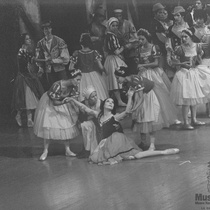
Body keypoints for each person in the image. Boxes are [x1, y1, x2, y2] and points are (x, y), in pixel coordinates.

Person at [67, 88, 179, 165]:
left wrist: (130, 97)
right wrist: (72, 100)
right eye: (108, 101)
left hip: (117, 141)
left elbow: (127, 111)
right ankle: (123, 156)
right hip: (105, 143)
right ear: (104, 104)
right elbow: (84, 108)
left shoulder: (115, 117)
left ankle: (164, 152)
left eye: (112, 103)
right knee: (93, 158)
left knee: (138, 155)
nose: (111, 103)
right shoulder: (98, 115)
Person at [115, 66, 178, 151]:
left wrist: (135, 108)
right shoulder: (127, 82)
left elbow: (141, 98)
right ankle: (143, 142)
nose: (117, 80)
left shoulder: (135, 80)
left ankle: (152, 144)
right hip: (141, 97)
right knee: (141, 120)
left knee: (149, 120)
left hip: (149, 97)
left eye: (118, 78)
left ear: (124, 76)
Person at [33, 69, 82, 161]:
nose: (78, 82)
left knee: (66, 125)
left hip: (64, 103)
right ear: (71, 78)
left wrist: (75, 108)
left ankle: (67, 149)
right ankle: (45, 150)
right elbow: (55, 102)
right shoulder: (57, 85)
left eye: (79, 80)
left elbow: (74, 98)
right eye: (77, 79)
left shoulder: (74, 86)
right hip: (50, 105)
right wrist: (67, 101)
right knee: (49, 126)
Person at [170, 29, 210, 130]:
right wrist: (181, 64)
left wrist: (198, 59)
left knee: (194, 99)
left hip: (194, 72)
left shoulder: (197, 46)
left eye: (185, 36)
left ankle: (194, 119)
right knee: (187, 99)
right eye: (182, 37)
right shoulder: (179, 48)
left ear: (190, 36)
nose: (183, 39)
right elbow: (172, 62)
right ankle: (185, 122)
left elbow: (199, 61)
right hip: (184, 74)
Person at [11, 33, 44, 127]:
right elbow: (24, 65)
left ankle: (29, 119)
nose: (29, 40)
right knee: (24, 98)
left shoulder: (27, 52)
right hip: (23, 77)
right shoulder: (21, 52)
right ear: (23, 41)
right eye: (27, 39)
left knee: (31, 99)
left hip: (29, 76)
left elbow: (32, 62)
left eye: (29, 39)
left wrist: (38, 66)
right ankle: (18, 115)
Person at [69, 33, 108, 101]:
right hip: (94, 76)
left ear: (81, 42)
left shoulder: (77, 53)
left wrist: (78, 70)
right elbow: (101, 67)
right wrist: (106, 72)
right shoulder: (95, 52)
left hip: (81, 76)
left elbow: (70, 68)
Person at [104, 17, 131, 106]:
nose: (115, 27)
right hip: (113, 59)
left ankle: (118, 99)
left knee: (116, 80)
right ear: (109, 26)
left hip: (111, 58)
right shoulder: (111, 36)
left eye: (116, 25)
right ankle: (119, 101)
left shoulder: (109, 35)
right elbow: (116, 51)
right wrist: (125, 47)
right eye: (113, 25)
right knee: (115, 80)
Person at [36, 20, 70, 90]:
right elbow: (39, 58)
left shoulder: (59, 41)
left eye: (49, 28)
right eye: (45, 29)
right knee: (53, 90)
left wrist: (53, 61)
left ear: (51, 29)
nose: (47, 30)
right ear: (43, 30)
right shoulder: (40, 43)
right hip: (49, 72)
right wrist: (41, 69)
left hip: (60, 71)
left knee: (64, 89)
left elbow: (66, 58)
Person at [77, 85, 102, 158]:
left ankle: (87, 149)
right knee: (85, 126)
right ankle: (86, 148)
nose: (95, 98)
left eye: (96, 95)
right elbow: (81, 118)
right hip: (90, 122)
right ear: (88, 99)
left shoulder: (100, 103)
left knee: (87, 126)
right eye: (92, 97)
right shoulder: (83, 104)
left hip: (99, 123)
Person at [149, 3, 174, 79]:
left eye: (164, 13)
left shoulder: (163, 22)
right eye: (160, 13)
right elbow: (161, 38)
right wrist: (169, 41)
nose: (162, 15)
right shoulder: (155, 23)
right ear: (155, 14)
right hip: (160, 47)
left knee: (167, 66)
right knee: (162, 66)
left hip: (164, 46)